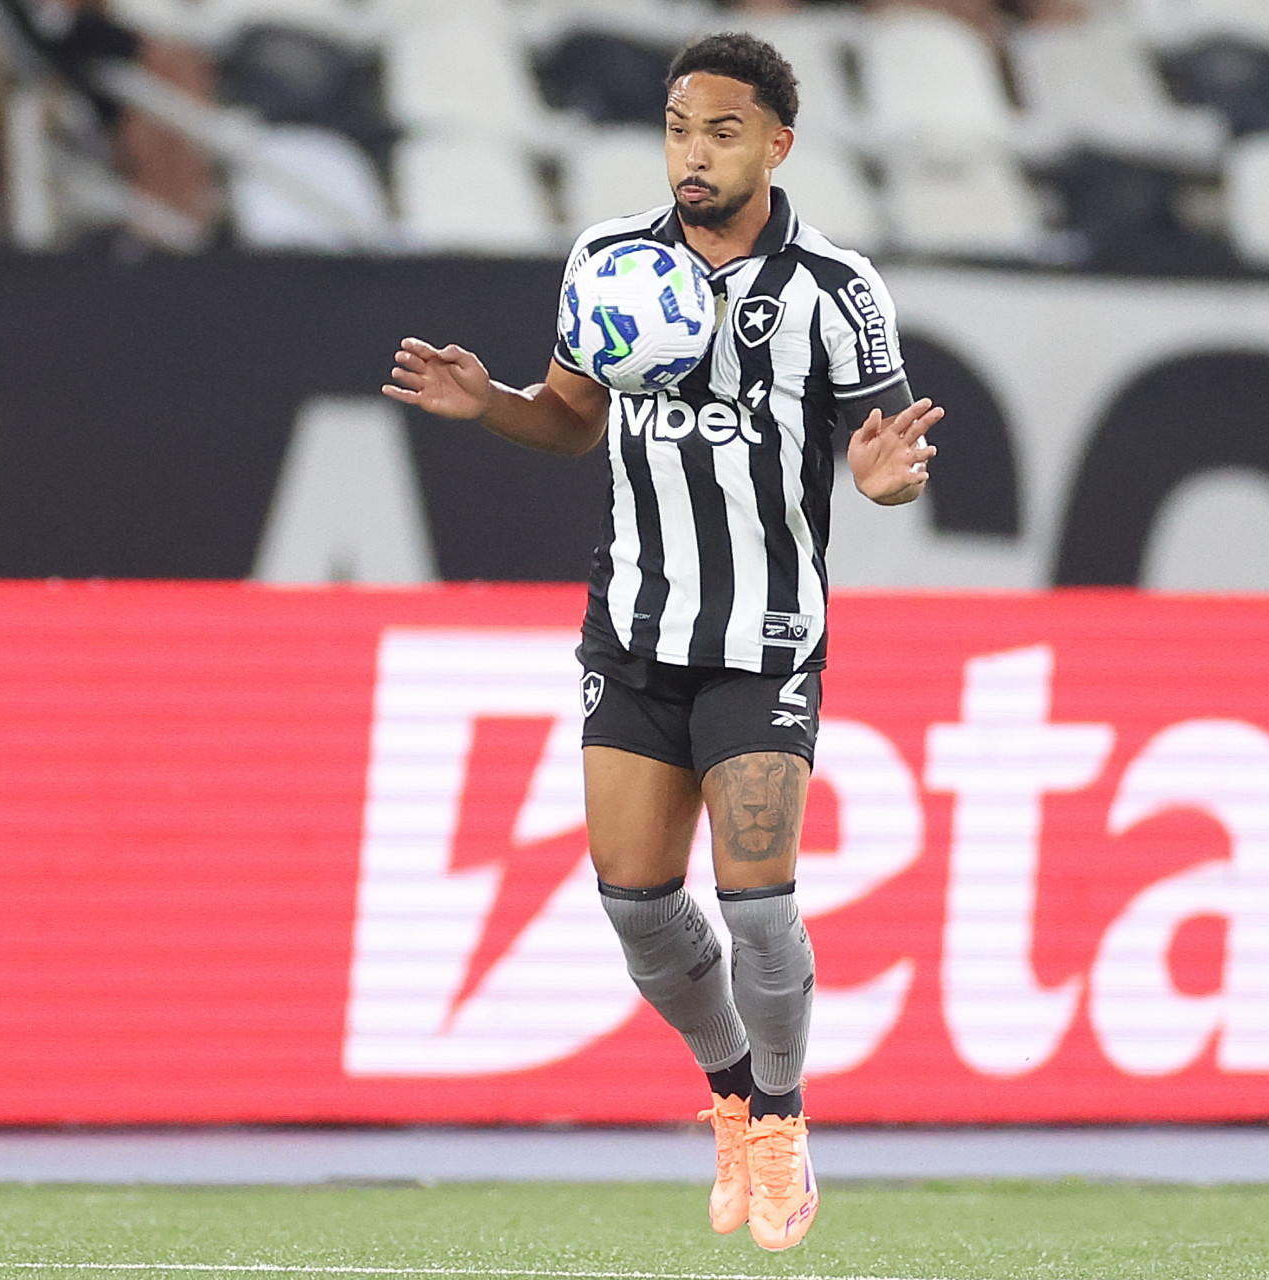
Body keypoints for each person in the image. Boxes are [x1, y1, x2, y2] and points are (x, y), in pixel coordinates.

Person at [381, 32, 940, 1253]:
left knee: (755, 906)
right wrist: (496, 409)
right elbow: (574, 420)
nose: (695, 152)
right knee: (639, 909)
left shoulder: (835, 291)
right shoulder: (610, 260)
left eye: (723, 131)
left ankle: (782, 1118)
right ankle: (735, 1088)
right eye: (682, 128)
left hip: (765, 635)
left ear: (778, 143)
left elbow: (882, 453)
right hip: (634, 625)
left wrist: (887, 480)